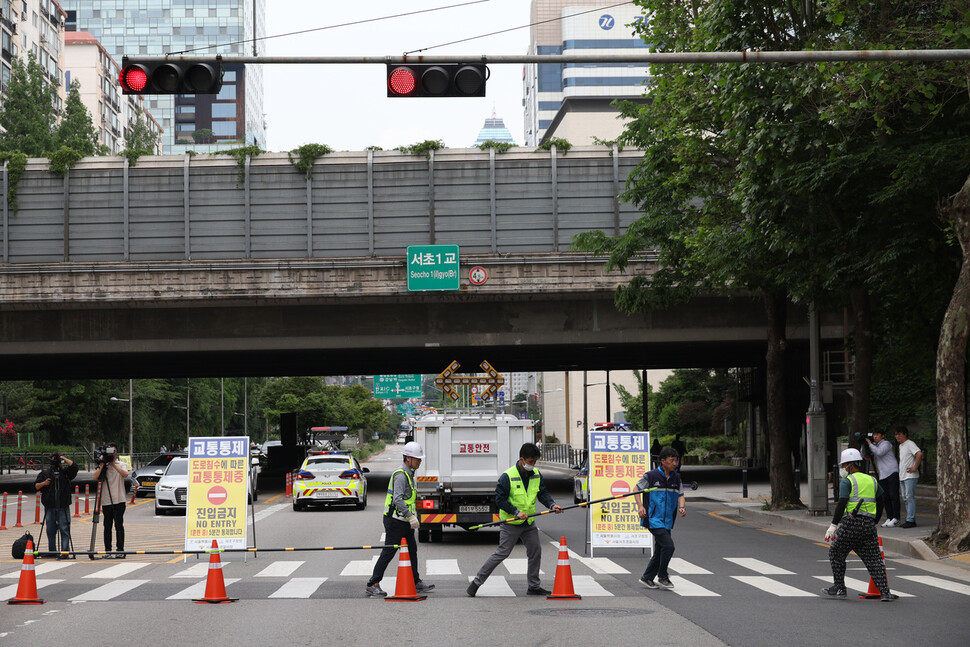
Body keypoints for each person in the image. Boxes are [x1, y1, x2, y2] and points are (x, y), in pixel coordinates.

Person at [467, 443, 563, 597]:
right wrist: (516, 512)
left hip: (529, 522)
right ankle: (476, 583)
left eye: (534, 462)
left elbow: (542, 493)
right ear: (521, 460)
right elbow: (499, 500)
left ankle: (533, 586)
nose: (533, 465)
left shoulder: (536, 474)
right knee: (502, 553)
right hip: (511, 522)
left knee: (535, 551)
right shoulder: (508, 476)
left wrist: (552, 505)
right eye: (530, 462)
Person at [821, 448, 895, 601]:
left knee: (836, 552)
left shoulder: (847, 481)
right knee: (874, 558)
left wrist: (833, 525)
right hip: (868, 526)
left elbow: (841, 504)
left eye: (843, 466)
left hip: (851, 524)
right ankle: (885, 592)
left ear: (850, 465)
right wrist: (874, 520)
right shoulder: (872, 480)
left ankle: (839, 587)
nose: (842, 469)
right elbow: (881, 503)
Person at [365, 441, 435, 597]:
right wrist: (410, 516)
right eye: (417, 458)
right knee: (389, 551)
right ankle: (373, 583)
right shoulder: (401, 475)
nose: (420, 461)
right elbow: (397, 499)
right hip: (395, 521)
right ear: (408, 458)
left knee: (412, 551)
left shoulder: (409, 475)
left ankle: (415, 582)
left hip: (404, 521)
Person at [634, 447, 686, 590]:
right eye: (672, 460)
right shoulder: (651, 476)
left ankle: (647, 577)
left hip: (668, 520)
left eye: (676, 460)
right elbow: (636, 489)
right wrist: (640, 506)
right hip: (653, 518)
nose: (675, 463)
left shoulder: (676, 477)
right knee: (669, 546)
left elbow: (680, 494)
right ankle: (662, 576)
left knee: (660, 549)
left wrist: (682, 507)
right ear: (663, 461)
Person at [34, 452, 79, 557]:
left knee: (65, 529)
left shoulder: (65, 473)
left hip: (63, 505)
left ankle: (65, 551)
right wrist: (44, 483)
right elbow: (36, 486)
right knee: (50, 530)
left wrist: (64, 458)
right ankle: (52, 551)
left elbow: (74, 467)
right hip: (50, 506)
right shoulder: (45, 474)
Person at [92, 443, 130, 558]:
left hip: (119, 500)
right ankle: (108, 550)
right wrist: (102, 465)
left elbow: (125, 474)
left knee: (119, 525)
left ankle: (120, 550)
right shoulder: (103, 465)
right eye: (109, 451)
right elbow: (95, 477)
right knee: (107, 526)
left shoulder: (121, 464)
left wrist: (113, 464)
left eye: (113, 451)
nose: (111, 453)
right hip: (106, 500)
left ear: (116, 453)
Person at [864, 429, 901, 527]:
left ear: (882, 436)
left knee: (893, 495)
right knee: (885, 497)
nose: (875, 436)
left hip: (892, 471)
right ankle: (889, 517)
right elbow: (866, 455)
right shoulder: (874, 446)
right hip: (883, 474)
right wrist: (865, 445)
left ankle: (896, 517)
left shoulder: (886, 444)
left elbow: (879, 453)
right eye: (874, 435)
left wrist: (869, 443)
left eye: (877, 434)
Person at [895, 426, 922, 528]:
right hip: (903, 476)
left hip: (910, 476)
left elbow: (919, 453)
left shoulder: (910, 443)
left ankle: (911, 520)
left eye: (899, 434)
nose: (897, 436)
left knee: (909, 497)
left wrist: (915, 467)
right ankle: (909, 519)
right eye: (896, 434)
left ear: (905, 434)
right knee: (906, 498)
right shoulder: (901, 446)